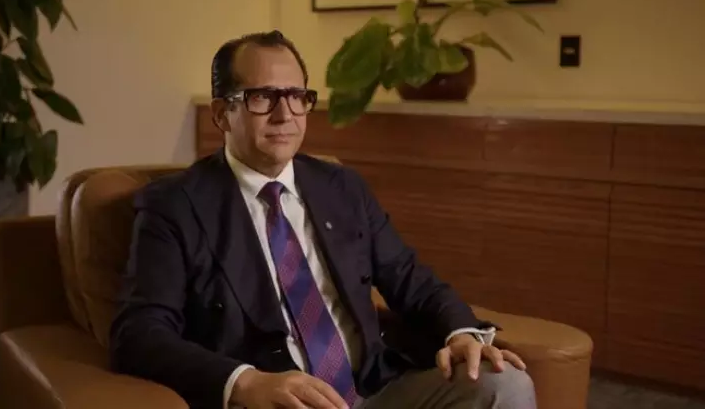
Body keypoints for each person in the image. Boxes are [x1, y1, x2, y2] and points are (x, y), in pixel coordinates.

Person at [109, 30, 536, 409]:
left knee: (504, 384)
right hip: (275, 401)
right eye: (263, 97)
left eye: (297, 96)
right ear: (222, 113)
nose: (285, 115)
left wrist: (460, 334)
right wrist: (246, 382)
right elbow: (139, 333)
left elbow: (412, 280)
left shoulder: (341, 187)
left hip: (374, 391)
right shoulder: (176, 205)